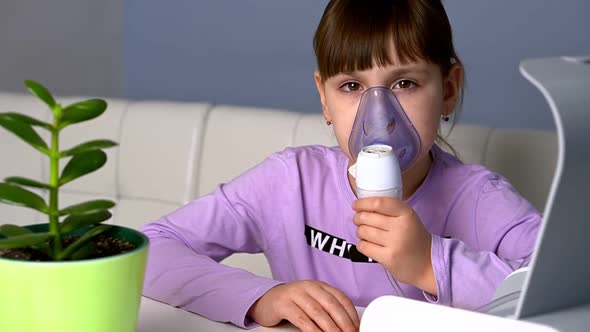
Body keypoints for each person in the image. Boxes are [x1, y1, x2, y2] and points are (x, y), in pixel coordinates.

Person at [140, 1, 541, 331]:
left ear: (448, 90)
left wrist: (429, 263)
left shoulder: (479, 199)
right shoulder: (290, 183)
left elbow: (560, 293)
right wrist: (260, 296)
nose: (378, 117)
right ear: (324, 99)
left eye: (405, 84)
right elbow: (148, 249)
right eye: (352, 87)